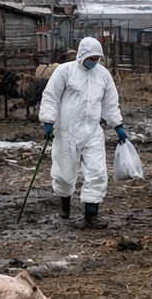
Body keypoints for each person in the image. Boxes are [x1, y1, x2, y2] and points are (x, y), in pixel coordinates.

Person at [40, 37, 127, 229]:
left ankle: (91, 215)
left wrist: (117, 125)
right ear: (82, 54)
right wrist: (48, 121)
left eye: (97, 58)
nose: (94, 62)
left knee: (97, 171)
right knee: (64, 172)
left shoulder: (103, 76)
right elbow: (50, 96)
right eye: (91, 57)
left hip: (92, 132)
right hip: (66, 131)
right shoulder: (65, 71)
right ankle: (65, 204)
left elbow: (110, 102)